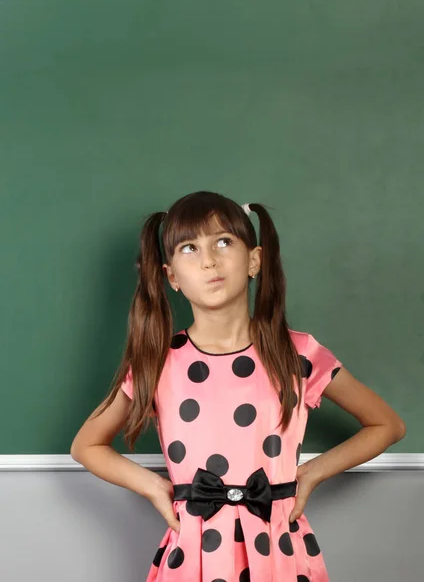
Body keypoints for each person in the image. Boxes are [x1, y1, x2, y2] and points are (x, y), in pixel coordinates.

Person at [71, 190, 406, 582]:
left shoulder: (297, 353)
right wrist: (152, 486)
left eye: (223, 242)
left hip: (279, 549)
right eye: (190, 248)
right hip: (195, 553)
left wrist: (312, 473)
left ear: (254, 260)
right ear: (172, 277)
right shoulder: (157, 363)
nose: (209, 260)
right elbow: (86, 445)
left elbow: (387, 425)